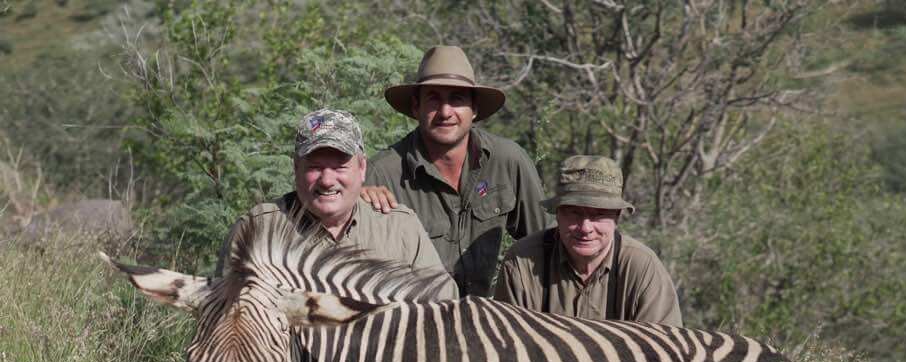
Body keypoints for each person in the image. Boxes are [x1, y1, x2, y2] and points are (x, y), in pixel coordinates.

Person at [362, 45, 547, 297]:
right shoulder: (382, 173)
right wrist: (357, 197)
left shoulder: (508, 160)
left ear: (475, 109)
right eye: (434, 98)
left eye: (457, 99)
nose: (445, 112)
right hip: (415, 319)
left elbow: (545, 244)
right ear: (416, 107)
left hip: (488, 316)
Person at [217, 108, 458, 299]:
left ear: (362, 168)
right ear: (296, 169)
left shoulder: (399, 227)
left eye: (340, 166)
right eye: (315, 167)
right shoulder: (258, 229)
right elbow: (224, 320)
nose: (327, 180)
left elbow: (445, 306)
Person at [494, 155, 682, 327]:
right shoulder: (521, 262)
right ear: (557, 214)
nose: (585, 228)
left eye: (599, 214)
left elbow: (662, 351)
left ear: (617, 217)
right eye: (574, 212)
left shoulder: (643, 267)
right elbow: (508, 347)